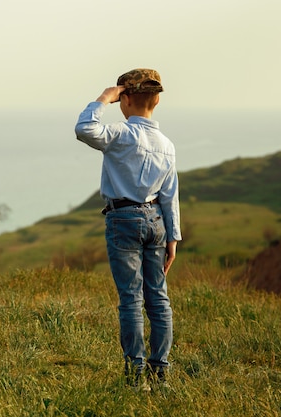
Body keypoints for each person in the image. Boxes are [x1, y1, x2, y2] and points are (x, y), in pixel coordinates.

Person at [74, 68, 181, 390]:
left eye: (120, 96)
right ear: (157, 100)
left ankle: (136, 377)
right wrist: (173, 237)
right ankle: (159, 373)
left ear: (126, 98)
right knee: (159, 300)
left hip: (124, 219)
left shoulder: (120, 134)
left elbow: (84, 129)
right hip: (157, 222)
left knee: (131, 299)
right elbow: (170, 194)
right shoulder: (166, 144)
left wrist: (102, 99)